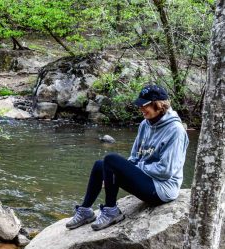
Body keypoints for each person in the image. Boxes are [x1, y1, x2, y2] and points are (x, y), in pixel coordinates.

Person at [66, 85, 189, 231]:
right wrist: (116, 173)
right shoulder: (145, 124)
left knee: (111, 159)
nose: (141, 109)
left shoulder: (175, 130)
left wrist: (132, 171)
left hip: (162, 189)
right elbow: (134, 157)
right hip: (147, 180)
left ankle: (111, 211)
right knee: (101, 165)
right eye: (140, 105)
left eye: (145, 105)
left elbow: (165, 171)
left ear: (159, 105)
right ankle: (85, 210)